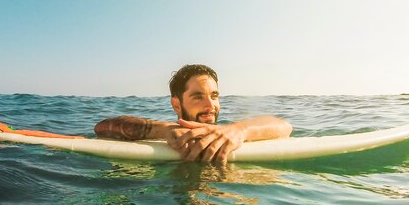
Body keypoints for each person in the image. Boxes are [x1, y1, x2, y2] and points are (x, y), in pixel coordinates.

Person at [94, 64, 292, 162]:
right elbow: (102, 128)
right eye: (198, 97)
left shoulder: (231, 133)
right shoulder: (165, 137)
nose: (210, 105)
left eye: (214, 96)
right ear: (176, 105)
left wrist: (240, 130)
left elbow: (285, 126)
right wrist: (164, 131)